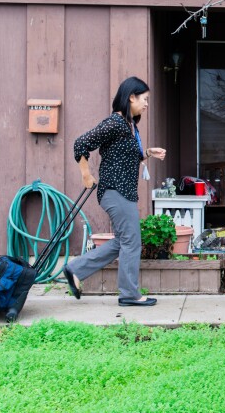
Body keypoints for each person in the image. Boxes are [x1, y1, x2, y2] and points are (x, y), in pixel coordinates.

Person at [61, 76, 167, 307]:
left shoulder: (129, 126)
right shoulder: (115, 122)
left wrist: (148, 152)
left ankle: (75, 269)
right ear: (131, 97)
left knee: (123, 241)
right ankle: (129, 294)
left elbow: (127, 156)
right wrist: (86, 175)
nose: (147, 103)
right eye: (144, 99)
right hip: (115, 191)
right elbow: (81, 144)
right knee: (131, 241)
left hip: (123, 192)